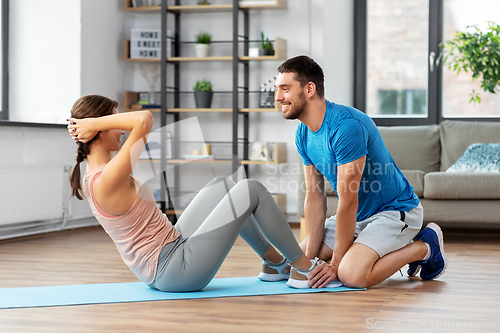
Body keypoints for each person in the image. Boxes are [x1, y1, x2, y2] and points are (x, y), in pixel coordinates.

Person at [66, 94, 334, 292]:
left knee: (223, 185)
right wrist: (94, 121)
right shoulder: (106, 179)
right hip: (174, 270)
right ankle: (302, 268)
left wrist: (95, 123)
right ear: (97, 129)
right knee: (252, 190)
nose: (122, 129)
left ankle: (274, 264)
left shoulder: (99, 173)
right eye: (114, 120)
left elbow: (138, 124)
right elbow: (144, 120)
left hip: (170, 249)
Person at [274, 55, 446, 289]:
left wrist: (335, 264)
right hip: (358, 218)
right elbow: (314, 197)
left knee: (350, 275)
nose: (278, 97)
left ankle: (424, 247)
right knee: (292, 263)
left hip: (393, 212)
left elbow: (348, 201)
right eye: (277, 89)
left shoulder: (347, 127)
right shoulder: (303, 134)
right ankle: (359, 250)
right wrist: (309, 262)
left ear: (309, 89)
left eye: (285, 89)